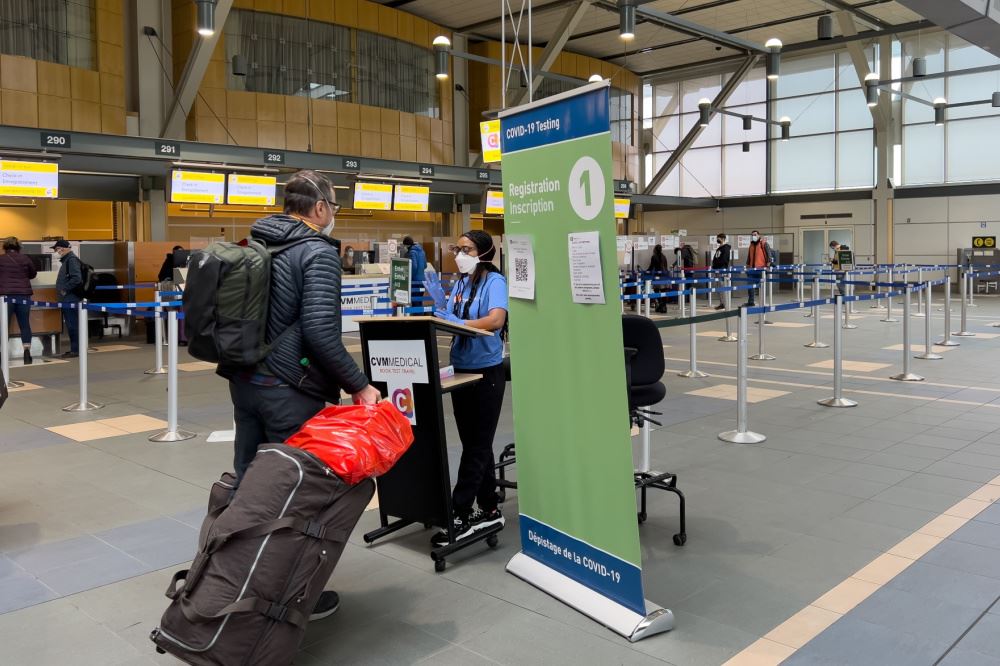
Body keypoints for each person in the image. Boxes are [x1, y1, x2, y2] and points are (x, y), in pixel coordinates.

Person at [219, 170, 380, 621]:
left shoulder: (257, 242)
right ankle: (282, 600)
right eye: (334, 208)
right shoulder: (317, 252)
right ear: (321, 208)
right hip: (288, 390)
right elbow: (320, 333)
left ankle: (224, 588)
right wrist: (360, 385)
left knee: (248, 487)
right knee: (295, 498)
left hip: (245, 382)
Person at [423, 231, 508, 545]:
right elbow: (454, 318)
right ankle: (489, 508)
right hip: (460, 368)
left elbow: (496, 319)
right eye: (458, 249)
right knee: (475, 442)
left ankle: (459, 511)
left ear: (484, 252)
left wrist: (458, 323)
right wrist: (443, 310)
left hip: (487, 372)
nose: (460, 254)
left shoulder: (494, 283)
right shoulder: (459, 283)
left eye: (467, 249)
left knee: (476, 444)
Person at [0, 237, 38, 364]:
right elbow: (33, 274)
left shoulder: (1, 259)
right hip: (23, 296)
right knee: (24, 324)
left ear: (5, 247)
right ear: (18, 247)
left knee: (3, 325)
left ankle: (1, 353)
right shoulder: (25, 258)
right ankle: (27, 352)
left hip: (5, 296)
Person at [53, 240, 83, 359]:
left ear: (63, 249)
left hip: (70, 299)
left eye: (56, 249)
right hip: (68, 299)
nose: (56, 252)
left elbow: (76, 278)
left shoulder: (71, 260)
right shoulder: (68, 260)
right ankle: (74, 349)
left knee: (73, 325)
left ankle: (75, 350)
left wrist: (64, 289)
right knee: (72, 325)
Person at [744, 231, 771, 307]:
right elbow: (749, 257)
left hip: (761, 269)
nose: (753, 236)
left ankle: (762, 302)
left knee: (761, 286)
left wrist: (767, 267)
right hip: (752, 270)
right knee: (750, 286)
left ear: (759, 235)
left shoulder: (764, 243)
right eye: (752, 235)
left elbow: (769, 255)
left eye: (755, 235)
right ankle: (751, 302)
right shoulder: (751, 245)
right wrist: (747, 266)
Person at [712, 234, 732, 310]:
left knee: (722, 286)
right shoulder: (719, 248)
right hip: (717, 269)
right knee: (718, 287)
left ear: (723, 239)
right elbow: (716, 258)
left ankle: (725, 303)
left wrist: (719, 266)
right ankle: (721, 303)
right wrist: (714, 266)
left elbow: (724, 259)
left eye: (719, 238)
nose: (717, 240)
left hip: (722, 269)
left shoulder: (725, 248)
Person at [648, 245, 669, 313]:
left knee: (656, 291)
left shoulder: (654, 257)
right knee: (664, 292)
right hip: (665, 276)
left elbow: (651, 267)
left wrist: (646, 271)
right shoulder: (664, 257)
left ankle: (660, 304)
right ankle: (664, 306)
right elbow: (666, 267)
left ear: (655, 250)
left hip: (658, 277)